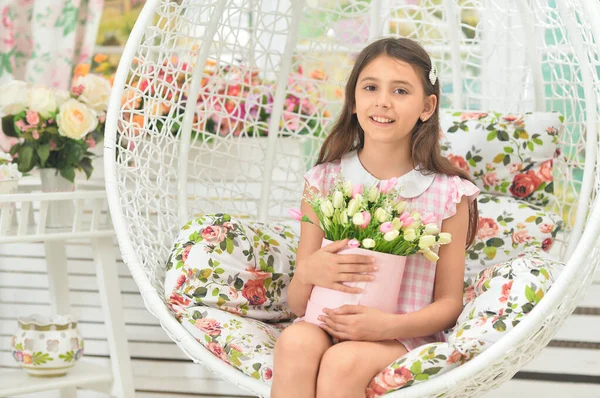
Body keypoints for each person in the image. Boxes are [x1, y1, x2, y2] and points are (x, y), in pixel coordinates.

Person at [271, 37, 480, 398]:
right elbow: (298, 304)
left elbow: (448, 304)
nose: (382, 101)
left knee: (343, 362)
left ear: (427, 107)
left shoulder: (448, 194)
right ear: (353, 100)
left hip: (399, 333)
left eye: (400, 91)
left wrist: (385, 326)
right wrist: (307, 272)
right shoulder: (323, 182)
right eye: (370, 87)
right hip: (324, 321)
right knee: (295, 342)